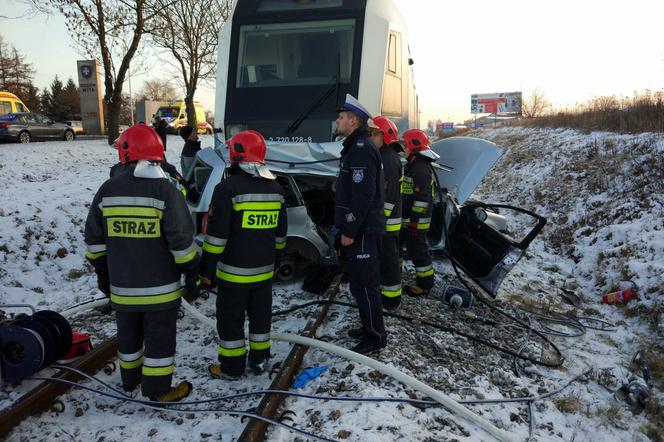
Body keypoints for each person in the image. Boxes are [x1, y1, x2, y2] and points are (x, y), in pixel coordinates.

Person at [84, 124, 199, 402]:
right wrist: (192, 273)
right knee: (159, 340)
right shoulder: (166, 192)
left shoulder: (107, 190)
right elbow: (181, 242)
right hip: (160, 291)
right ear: (157, 155)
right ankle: (158, 390)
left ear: (125, 154)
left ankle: (130, 380)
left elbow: (94, 239)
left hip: (122, 288)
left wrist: (102, 272)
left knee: (128, 337)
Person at [199, 130, 287, 380]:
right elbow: (281, 236)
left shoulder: (227, 189)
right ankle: (259, 361)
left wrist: (206, 270)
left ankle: (231, 368)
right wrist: (275, 264)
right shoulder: (277, 190)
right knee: (261, 320)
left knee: (231, 321)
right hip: (264, 273)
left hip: (234, 276)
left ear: (235, 156)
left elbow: (216, 238)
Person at [334, 94, 387, 355]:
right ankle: (368, 327)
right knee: (359, 284)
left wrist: (349, 230)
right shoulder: (356, 147)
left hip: (363, 231)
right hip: (362, 229)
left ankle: (375, 337)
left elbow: (363, 197)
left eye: (341, 117)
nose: (338, 120)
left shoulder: (361, 150)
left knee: (366, 285)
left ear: (353, 121)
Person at [369, 116, 404, 309]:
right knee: (385, 259)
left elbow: (389, 195)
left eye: (375, 133)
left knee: (389, 260)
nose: (371, 137)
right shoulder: (383, 155)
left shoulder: (388, 159)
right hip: (386, 221)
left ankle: (391, 299)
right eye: (371, 133)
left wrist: (380, 218)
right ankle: (385, 293)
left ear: (386, 136)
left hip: (388, 223)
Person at [401, 129, 439, 296]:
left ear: (413, 147)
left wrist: (415, 220)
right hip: (411, 219)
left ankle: (425, 285)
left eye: (405, 145)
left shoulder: (420, 168)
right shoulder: (414, 165)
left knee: (418, 251)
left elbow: (423, 198)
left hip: (417, 220)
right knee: (409, 248)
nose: (403, 148)